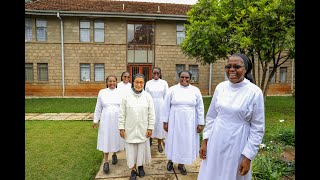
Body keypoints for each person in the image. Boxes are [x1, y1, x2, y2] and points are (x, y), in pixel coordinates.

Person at [197, 53, 265, 180]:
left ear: (246, 69)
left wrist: (248, 156)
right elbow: (211, 116)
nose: (231, 70)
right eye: (228, 66)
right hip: (216, 141)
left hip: (238, 144)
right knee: (212, 173)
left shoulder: (255, 92)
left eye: (236, 66)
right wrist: (205, 141)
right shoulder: (220, 87)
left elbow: (258, 128)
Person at [161, 70, 205, 175]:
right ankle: (171, 160)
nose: (184, 79)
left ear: (190, 79)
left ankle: (181, 164)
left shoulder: (195, 90)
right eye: (182, 77)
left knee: (185, 142)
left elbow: (200, 107)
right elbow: (166, 106)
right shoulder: (172, 90)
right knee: (173, 140)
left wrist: (200, 123)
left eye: (187, 78)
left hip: (190, 122)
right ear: (178, 77)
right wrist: (165, 122)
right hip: (175, 121)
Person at [118, 73, 155, 180]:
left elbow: (151, 113)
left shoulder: (148, 96)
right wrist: (121, 128)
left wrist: (150, 127)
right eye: (137, 82)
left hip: (143, 129)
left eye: (141, 82)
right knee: (131, 150)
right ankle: (133, 169)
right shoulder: (126, 96)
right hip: (130, 129)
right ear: (133, 83)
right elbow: (122, 114)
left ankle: (140, 166)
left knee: (141, 149)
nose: (139, 84)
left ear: (144, 83)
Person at [93, 75, 125, 174]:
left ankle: (114, 154)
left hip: (117, 119)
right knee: (106, 138)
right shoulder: (102, 92)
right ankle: (106, 162)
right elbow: (98, 107)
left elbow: (124, 108)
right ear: (107, 82)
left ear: (116, 82)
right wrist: (95, 120)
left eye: (114, 81)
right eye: (110, 81)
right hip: (105, 119)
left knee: (115, 137)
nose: (112, 83)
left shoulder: (120, 92)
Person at [145, 67, 169, 153]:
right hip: (151, 105)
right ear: (152, 73)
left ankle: (159, 143)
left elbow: (167, 96)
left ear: (160, 74)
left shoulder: (164, 83)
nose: (155, 75)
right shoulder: (148, 83)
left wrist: (166, 107)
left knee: (159, 124)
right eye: (154, 73)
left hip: (161, 105)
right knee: (151, 122)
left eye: (157, 73)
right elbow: (146, 95)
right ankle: (150, 139)